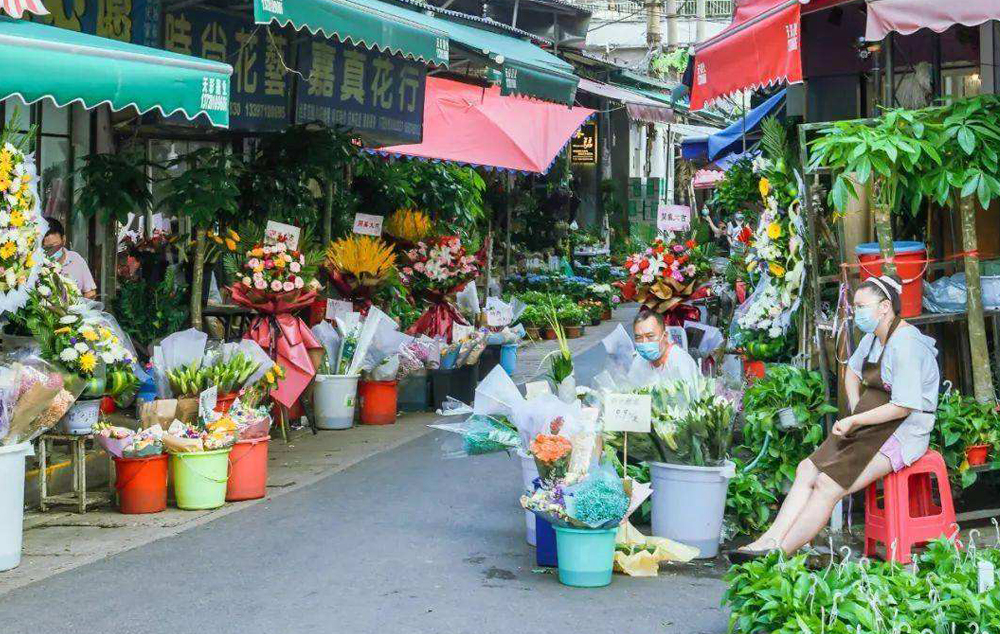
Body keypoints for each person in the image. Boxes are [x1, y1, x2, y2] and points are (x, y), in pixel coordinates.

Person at [731, 275, 939, 562]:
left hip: (904, 432)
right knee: (807, 468)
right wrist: (856, 409)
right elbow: (852, 371)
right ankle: (768, 540)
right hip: (870, 423)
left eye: (862, 307)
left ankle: (779, 554)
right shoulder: (873, 338)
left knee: (827, 485)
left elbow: (903, 407)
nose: (857, 313)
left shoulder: (906, 344)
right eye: (855, 307)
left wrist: (856, 421)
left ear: (885, 307)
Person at [627, 308, 701, 386]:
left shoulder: (680, 361)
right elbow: (630, 386)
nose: (644, 342)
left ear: (665, 336)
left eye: (650, 336)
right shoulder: (640, 360)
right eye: (638, 337)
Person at [42, 218, 97, 299]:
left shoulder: (76, 259)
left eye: (54, 245)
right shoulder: (38, 264)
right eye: (46, 248)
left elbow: (90, 292)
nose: (51, 251)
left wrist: (84, 304)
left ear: (63, 240)